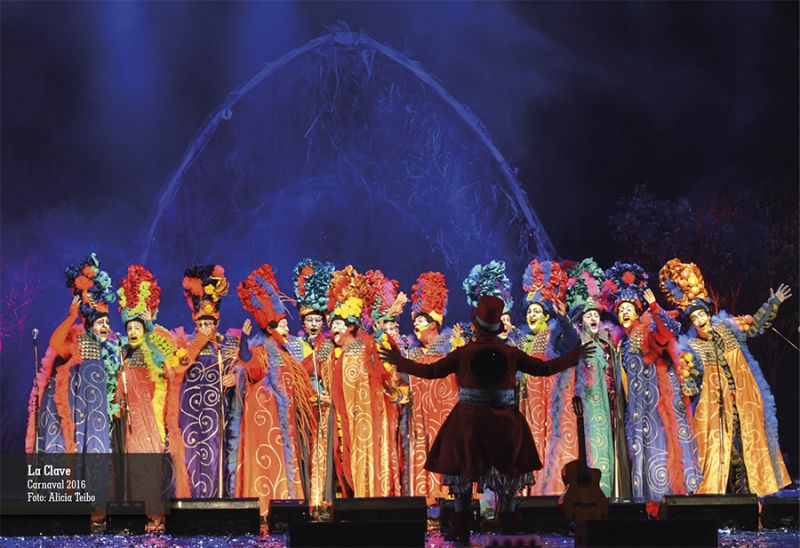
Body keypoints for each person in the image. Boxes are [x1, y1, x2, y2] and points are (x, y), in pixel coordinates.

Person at [379, 295, 596, 542]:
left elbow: (431, 371)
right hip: (504, 425)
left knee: (462, 489)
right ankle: (509, 539)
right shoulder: (510, 353)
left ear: (476, 327)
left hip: (468, 424)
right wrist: (573, 356)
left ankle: (461, 538)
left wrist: (400, 362)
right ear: (497, 328)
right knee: (508, 490)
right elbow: (544, 369)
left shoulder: (464, 353)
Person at [659, 258, 791, 496]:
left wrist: (773, 303)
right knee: (722, 455)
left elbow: (754, 325)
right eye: (695, 319)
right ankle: (722, 501)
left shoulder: (727, 329)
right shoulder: (692, 347)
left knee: (748, 449)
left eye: (702, 315)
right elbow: (689, 381)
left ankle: (750, 497)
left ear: (708, 315)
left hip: (745, 402)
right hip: (716, 411)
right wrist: (687, 379)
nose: (701, 321)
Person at [25, 253, 119, 530]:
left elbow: (118, 374)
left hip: (99, 409)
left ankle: (98, 511)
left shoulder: (113, 347)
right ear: (90, 323)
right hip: (78, 406)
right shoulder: (79, 340)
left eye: (107, 322)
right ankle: (70, 508)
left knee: (98, 451)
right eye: (100, 322)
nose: (105, 327)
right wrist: (71, 316)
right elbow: (55, 343)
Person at [604, 262, 701, 501]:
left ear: (638, 312)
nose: (625, 313)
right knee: (642, 452)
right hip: (638, 408)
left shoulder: (646, 329)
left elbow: (667, 334)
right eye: (621, 310)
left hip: (658, 404)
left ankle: (665, 499)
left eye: (629, 308)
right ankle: (646, 502)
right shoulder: (622, 343)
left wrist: (655, 308)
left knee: (662, 449)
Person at [235, 264, 317, 519]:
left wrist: (318, 355)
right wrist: (243, 341)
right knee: (267, 464)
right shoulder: (261, 352)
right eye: (282, 326)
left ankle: (287, 508)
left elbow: (302, 375)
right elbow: (251, 366)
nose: (287, 330)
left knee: (285, 463)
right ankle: (263, 510)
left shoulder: (287, 355)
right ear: (270, 328)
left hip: (284, 426)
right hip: (265, 423)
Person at [170, 264, 240, 498]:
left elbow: (245, 371)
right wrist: (199, 340)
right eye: (200, 324)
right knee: (190, 452)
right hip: (189, 412)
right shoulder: (184, 344)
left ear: (216, 322)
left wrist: (236, 378)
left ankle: (217, 499)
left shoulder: (227, 346)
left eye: (208, 324)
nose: (204, 329)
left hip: (217, 412)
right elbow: (177, 368)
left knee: (216, 450)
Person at [116, 264, 174, 533]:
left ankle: (157, 515)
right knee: (136, 468)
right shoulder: (122, 355)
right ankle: (145, 515)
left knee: (152, 466)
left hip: (151, 418)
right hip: (132, 422)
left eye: (137, 327)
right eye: (129, 328)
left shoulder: (155, 350)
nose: (132, 332)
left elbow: (170, 377)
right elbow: (119, 386)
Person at [565, 258, 629, 498]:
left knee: (609, 448)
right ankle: (593, 494)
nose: (593, 318)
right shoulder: (578, 342)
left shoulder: (607, 342)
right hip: (587, 406)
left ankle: (610, 493)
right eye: (588, 315)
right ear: (580, 320)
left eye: (595, 315)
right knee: (591, 449)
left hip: (609, 405)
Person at [518, 259, 579, 495]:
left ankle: (552, 489)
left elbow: (573, 344)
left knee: (552, 447)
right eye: (529, 312)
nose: (531, 315)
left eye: (536, 311)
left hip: (550, 405)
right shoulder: (524, 341)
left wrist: (563, 319)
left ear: (545, 315)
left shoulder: (554, 335)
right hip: (531, 408)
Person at [407, 271, 461, 503]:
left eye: (420, 320)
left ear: (433, 323)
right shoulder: (413, 354)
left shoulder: (450, 348)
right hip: (421, 420)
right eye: (415, 320)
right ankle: (425, 498)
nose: (415, 324)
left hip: (445, 417)